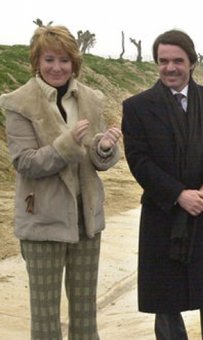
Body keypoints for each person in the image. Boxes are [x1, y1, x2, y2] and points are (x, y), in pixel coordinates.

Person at [0, 25, 122, 339]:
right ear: (37, 62)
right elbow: (24, 162)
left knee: (85, 318)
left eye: (64, 60)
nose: (57, 67)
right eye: (49, 59)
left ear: (74, 63)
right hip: (42, 221)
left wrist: (104, 149)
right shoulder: (18, 102)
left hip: (86, 221)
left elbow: (94, 159)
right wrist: (65, 146)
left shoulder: (91, 99)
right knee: (45, 322)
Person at [121, 29, 203, 339]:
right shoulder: (137, 107)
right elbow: (139, 161)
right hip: (163, 213)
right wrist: (178, 195)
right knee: (166, 303)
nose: (170, 68)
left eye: (177, 60)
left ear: (192, 62)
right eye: (163, 61)